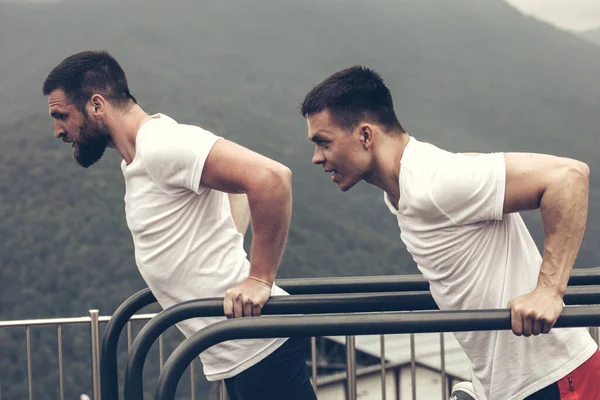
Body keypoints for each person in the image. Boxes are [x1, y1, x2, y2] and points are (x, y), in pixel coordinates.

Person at [300, 66, 600, 400]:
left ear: (366, 136)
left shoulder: (433, 181)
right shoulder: (407, 186)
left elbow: (569, 177)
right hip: (507, 384)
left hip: (553, 376)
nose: (316, 158)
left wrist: (549, 291)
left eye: (323, 143)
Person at [43, 50, 316, 400]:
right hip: (240, 349)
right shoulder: (139, 159)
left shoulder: (160, 144)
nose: (57, 131)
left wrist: (259, 280)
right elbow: (238, 191)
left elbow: (272, 179)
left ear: (96, 105)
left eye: (61, 115)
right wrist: (227, 243)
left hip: (260, 347)